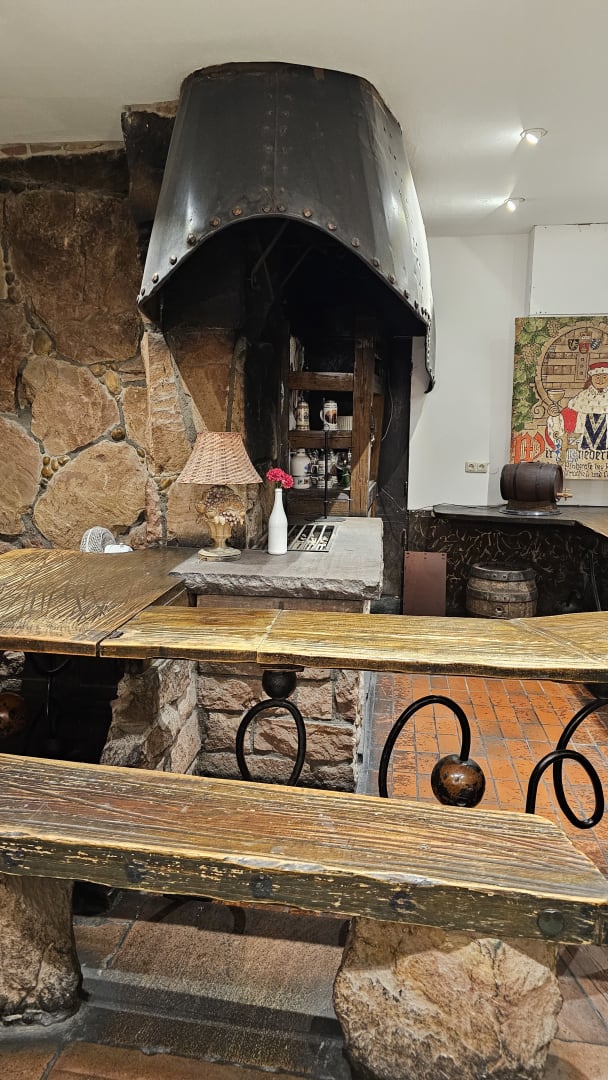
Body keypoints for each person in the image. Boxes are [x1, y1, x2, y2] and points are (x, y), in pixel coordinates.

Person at [546, 360, 608, 462]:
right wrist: (555, 416)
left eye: (604, 377)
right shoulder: (581, 399)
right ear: (591, 378)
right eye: (597, 377)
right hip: (580, 457)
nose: (600, 380)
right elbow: (564, 424)